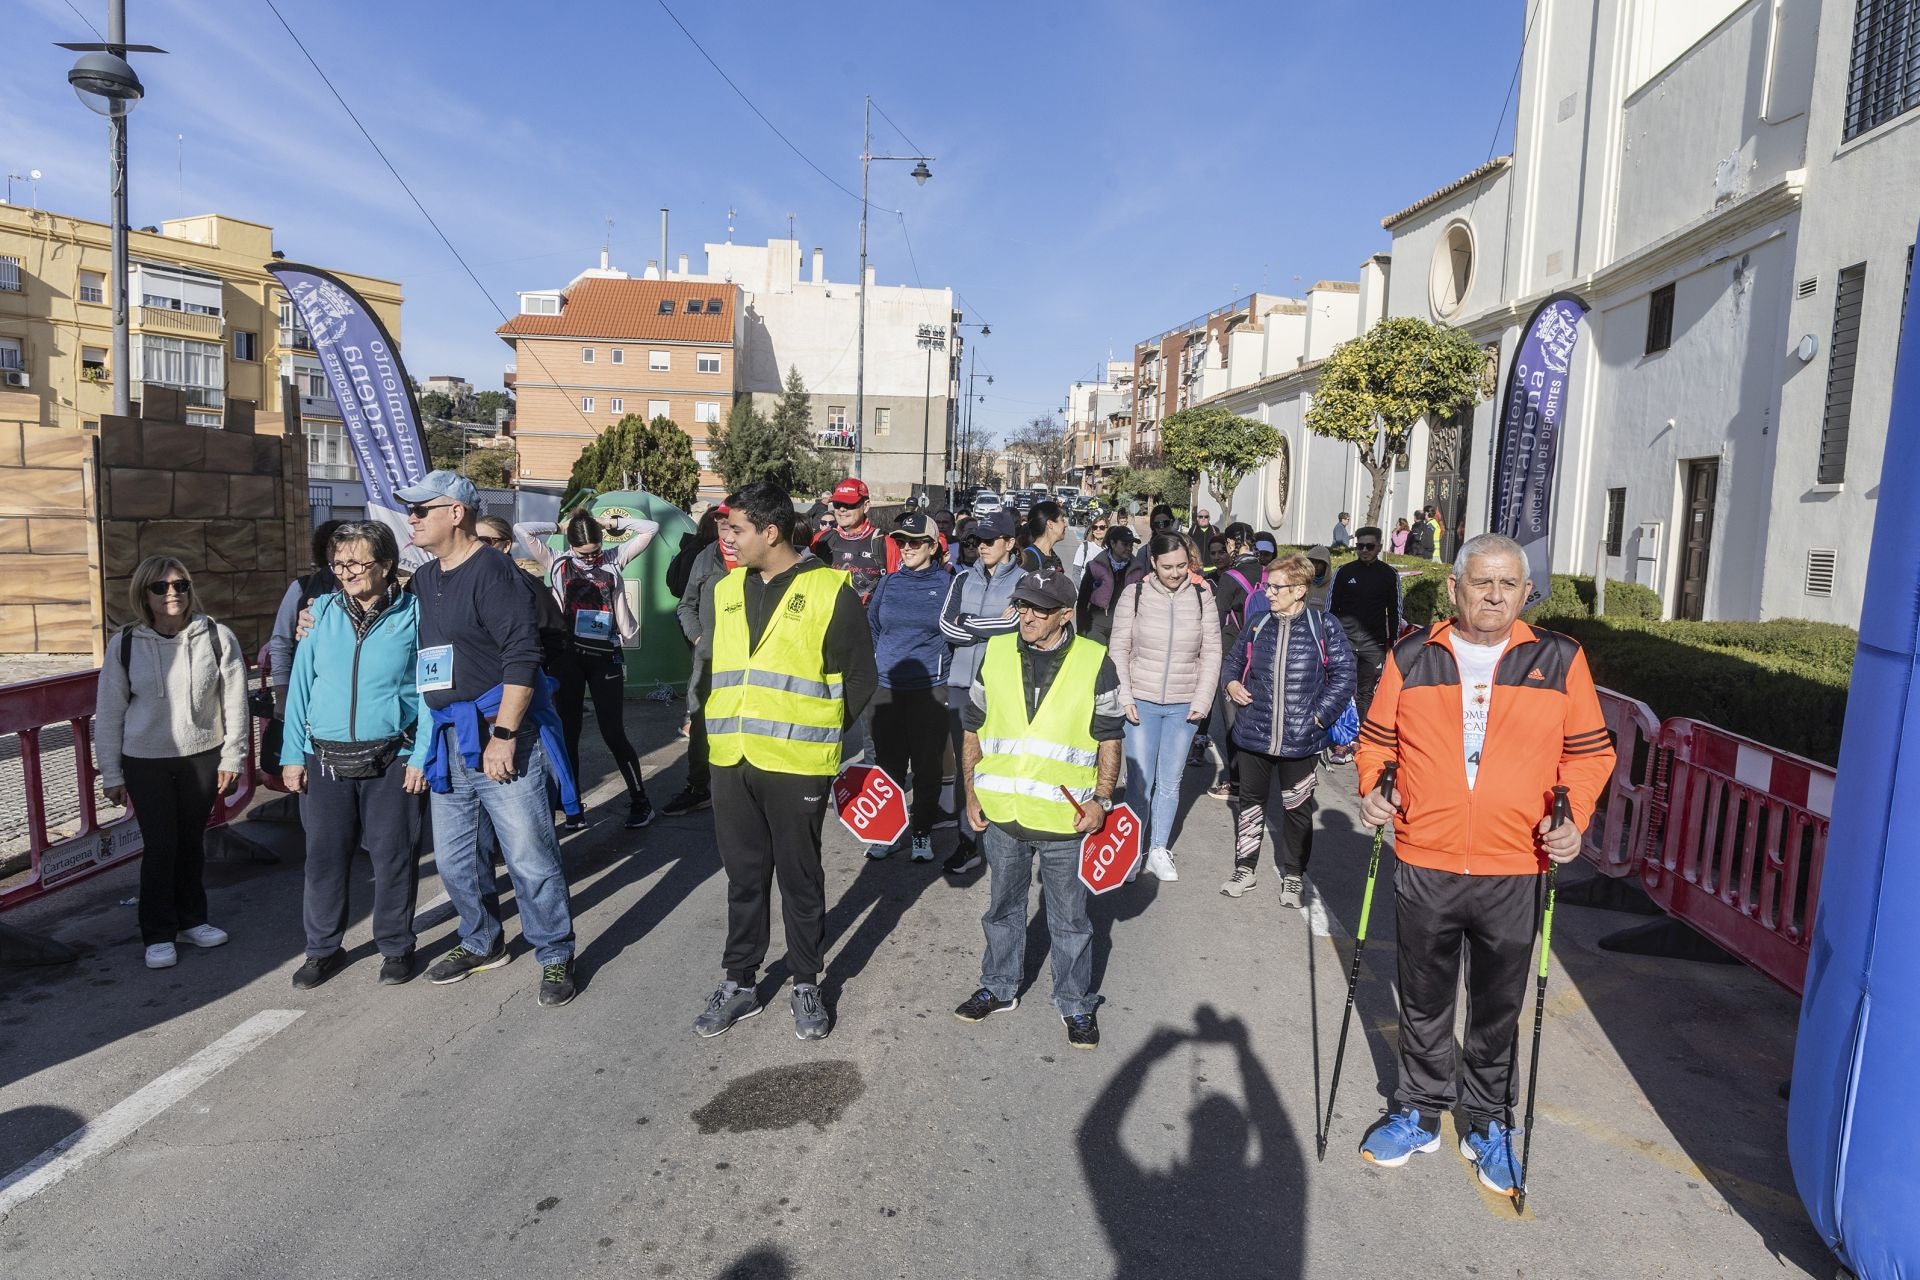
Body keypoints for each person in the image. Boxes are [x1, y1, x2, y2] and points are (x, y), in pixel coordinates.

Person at [1354, 533, 1614, 1195]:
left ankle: (1490, 1123)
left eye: (1508, 585)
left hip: (1515, 865)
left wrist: (1572, 819)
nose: (1494, 596)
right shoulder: (1413, 654)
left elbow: (1589, 755)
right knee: (1423, 999)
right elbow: (1378, 741)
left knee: (1498, 1007)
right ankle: (1416, 1110)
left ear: (1527, 592)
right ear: (1455, 588)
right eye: (1481, 583)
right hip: (1426, 857)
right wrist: (1373, 790)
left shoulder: (1559, 659)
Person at [692, 481, 878, 1042]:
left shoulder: (829, 590)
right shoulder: (726, 590)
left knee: (799, 878)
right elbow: (721, 669)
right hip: (731, 756)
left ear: (769, 532)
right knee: (744, 877)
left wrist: (819, 733)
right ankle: (741, 981)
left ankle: (804, 981)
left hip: (797, 762)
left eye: (737, 529)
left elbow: (860, 678)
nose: (727, 538)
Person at [399, 471, 580, 1008]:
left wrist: (503, 734)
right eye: (409, 510)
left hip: (500, 738)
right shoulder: (426, 577)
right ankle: (482, 941)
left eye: (420, 509)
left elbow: (522, 658)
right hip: (448, 741)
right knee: (455, 862)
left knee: (528, 855)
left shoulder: (495, 571)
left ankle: (554, 953)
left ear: (456, 512)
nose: (411, 517)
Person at [954, 569, 1124, 1049]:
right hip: (1004, 814)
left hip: (1065, 822)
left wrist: (1102, 801)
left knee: (1069, 921)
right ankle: (999, 986)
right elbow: (973, 726)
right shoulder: (998, 651)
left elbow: (1110, 736)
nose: (1025, 616)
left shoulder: (1095, 661)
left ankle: (1074, 1003)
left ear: (1065, 615)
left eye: (1038, 609)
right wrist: (970, 791)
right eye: (1022, 605)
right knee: (1002, 909)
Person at [279, 521, 428, 988]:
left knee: (393, 856)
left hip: (394, 755)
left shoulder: (416, 615)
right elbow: (302, 685)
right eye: (338, 563)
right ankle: (322, 949)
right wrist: (292, 755)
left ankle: (396, 946)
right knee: (324, 857)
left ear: (384, 565)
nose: (345, 572)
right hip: (324, 757)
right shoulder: (319, 612)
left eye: (356, 562)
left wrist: (422, 753)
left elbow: (428, 689)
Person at [95, 557, 249, 971]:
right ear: (143, 593)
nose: (172, 595)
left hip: (202, 756)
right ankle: (158, 932)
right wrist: (110, 771)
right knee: (161, 847)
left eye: (180, 585)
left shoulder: (216, 636)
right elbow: (109, 712)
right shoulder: (125, 643)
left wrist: (233, 756)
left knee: (190, 843)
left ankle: (192, 920)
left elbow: (234, 701)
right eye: (160, 588)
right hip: (145, 761)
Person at [1219, 555, 1355, 906]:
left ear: (1299, 590)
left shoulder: (1324, 626)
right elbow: (1233, 661)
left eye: (1275, 587)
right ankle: (1244, 868)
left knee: (1297, 810)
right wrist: (1232, 684)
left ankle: (1294, 874)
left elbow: (1344, 677)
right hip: (1253, 736)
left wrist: (1319, 717)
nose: (1268, 592)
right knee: (1250, 805)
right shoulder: (1258, 622)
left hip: (1302, 741)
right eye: (1268, 585)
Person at [513, 510, 660, 829]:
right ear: (570, 545)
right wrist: (559, 526)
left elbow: (650, 528)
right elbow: (522, 529)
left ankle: (640, 801)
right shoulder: (555, 559)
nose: (592, 558)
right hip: (567, 655)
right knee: (569, 732)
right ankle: (572, 806)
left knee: (613, 731)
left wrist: (608, 525)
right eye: (585, 553)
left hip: (605, 654)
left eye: (595, 551)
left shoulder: (614, 557)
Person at [1107, 533, 1220, 882]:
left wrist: (1202, 700)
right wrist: (1124, 696)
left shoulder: (1203, 596)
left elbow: (1212, 652)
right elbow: (1118, 649)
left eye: (1182, 566)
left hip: (1184, 706)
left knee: (1171, 782)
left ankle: (1158, 848)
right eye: (1168, 566)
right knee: (1140, 783)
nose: (1175, 573)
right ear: (1153, 563)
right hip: (1140, 701)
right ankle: (1131, 851)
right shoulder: (1134, 594)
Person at [936, 510, 1025, 875]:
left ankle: (1003, 841)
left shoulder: (1025, 581)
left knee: (1000, 763)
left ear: (1010, 543)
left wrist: (968, 623)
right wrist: (989, 626)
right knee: (967, 766)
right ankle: (967, 842)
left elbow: (1018, 625)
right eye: (978, 541)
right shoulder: (960, 579)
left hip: (1003, 686)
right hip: (961, 685)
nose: (982, 546)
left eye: (990, 541)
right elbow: (945, 625)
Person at [864, 511, 955, 861]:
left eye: (915, 542)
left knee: (927, 765)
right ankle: (887, 832)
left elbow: (955, 634)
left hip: (930, 689)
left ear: (932, 546)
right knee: (888, 764)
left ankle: (920, 832)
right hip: (886, 686)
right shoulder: (888, 582)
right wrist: (879, 662)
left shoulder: (949, 584)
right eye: (902, 541)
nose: (906, 548)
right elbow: (873, 625)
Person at [665, 498, 740, 817]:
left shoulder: (755, 555)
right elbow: (685, 605)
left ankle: (744, 789)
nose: (723, 523)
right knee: (700, 718)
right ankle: (699, 787)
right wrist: (699, 638)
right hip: (710, 657)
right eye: (719, 518)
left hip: (752, 658)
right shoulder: (705, 557)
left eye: (729, 518)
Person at [1328, 525, 1402, 766]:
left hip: (1374, 645)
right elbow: (1331, 611)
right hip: (1345, 643)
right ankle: (1340, 739)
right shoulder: (1344, 572)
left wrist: (1394, 645)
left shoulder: (1389, 574)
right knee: (1341, 691)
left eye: (1369, 546)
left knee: (1364, 694)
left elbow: (1395, 612)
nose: (1364, 550)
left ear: (1379, 547)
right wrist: (1329, 640)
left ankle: (1358, 738)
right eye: (1360, 546)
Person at [1207, 523, 1265, 801]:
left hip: (1234, 656)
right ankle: (1259, 779)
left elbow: (1215, 622)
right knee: (1256, 718)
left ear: (1232, 543)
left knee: (1233, 722)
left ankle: (1237, 784)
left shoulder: (1230, 577)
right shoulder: (1269, 573)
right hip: (1264, 656)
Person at [267, 520, 345, 718]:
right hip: (308, 694)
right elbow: (280, 642)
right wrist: (283, 696)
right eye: (334, 545)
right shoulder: (302, 588)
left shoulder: (369, 588)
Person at [811, 477, 894, 600]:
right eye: (837, 504)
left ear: (865, 506)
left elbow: (895, 591)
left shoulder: (886, 543)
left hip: (866, 618)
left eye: (849, 504)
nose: (841, 509)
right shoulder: (820, 539)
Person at [1075, 525, 1141, 643]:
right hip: (1095, 626)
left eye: (1131, 545)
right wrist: (1081, 630)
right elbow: (1082, 601)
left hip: (1122, 629)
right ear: (1113, 543)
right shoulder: (1095, 566)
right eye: (1125, 544)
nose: (1129, 548)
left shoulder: (1138, 570)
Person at [1016, 499, 1068, 574]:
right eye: (1062, 520)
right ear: (1050, 524)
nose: (1065, 525)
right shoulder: (1028, 559)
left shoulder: (1054, 557)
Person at [1073, 510, 1112, 579]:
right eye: (1095, 527)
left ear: (1108, 529)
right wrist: (1084, 589)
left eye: (1102, 527)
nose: (1098, 530)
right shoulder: (1085, 547)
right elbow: (1076, 573)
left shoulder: (1111, 550)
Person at [1302, 545, 1334, 611]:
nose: (1315, 566)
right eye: (1312, 562)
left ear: (1326, 564)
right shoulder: (1303, 582)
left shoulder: (1333, 584)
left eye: (1319, 562)